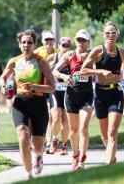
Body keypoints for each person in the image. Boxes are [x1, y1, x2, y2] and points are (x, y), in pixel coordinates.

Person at [0, 29, 55, 180]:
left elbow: (52, 87)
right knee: (23, 137)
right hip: (20, 103)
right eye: (23, 42)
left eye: (29, 42)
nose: (26, 45)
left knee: (38, 146)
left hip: (38, 104)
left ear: (34, 44)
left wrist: (35, 87)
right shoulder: (14, 61)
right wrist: (4, 87)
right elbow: (3, 78)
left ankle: (38, 156)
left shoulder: (41, 62)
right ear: (19, 44)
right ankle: (28, 173)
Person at [80, 21, 124, 164]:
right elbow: (83, 71)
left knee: (112, 132)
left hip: (116, 93)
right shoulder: (98, 51)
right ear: (103, 35)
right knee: (105, 136)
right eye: (108, 33)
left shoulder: (122, 52)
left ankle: (108, 165)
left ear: (117, 35)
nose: (111, 35)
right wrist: (100, 71)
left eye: (113, 32)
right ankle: (113, 158)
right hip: (100, 95)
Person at [52, 29, 94, 169]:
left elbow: (103, 67)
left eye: (83, 40)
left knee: (83, 128)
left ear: (88, 42)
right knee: (74, 130)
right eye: (78, 40)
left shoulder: (92, 55)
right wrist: (64, 77)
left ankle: (82, 158)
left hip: (86, 96)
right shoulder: (70, 55)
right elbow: (54, 70)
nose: (80, 42)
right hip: (71, 96)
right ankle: (75, 155)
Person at [46, 37, 71, 155]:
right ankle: (55, 139)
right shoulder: (52, 57)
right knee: (56, 118)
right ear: (59, 45)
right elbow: (43, 71)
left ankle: (64, 145)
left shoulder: (72, 57)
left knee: (66, 120)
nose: (65, 48)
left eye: (67, 45)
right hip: (55, 91)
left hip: (68, 91)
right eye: (63, 45)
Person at [34, 30, 57, 152]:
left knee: (53, 115)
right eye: (46, 39)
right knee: (43, 115)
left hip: (53, 87)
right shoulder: (37, 52)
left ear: (54, 41)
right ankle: (44, 140)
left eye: (51, 39)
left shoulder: (58, 52)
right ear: (42, 41)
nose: (49, 42)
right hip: (40, 87)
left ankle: (51, 141)